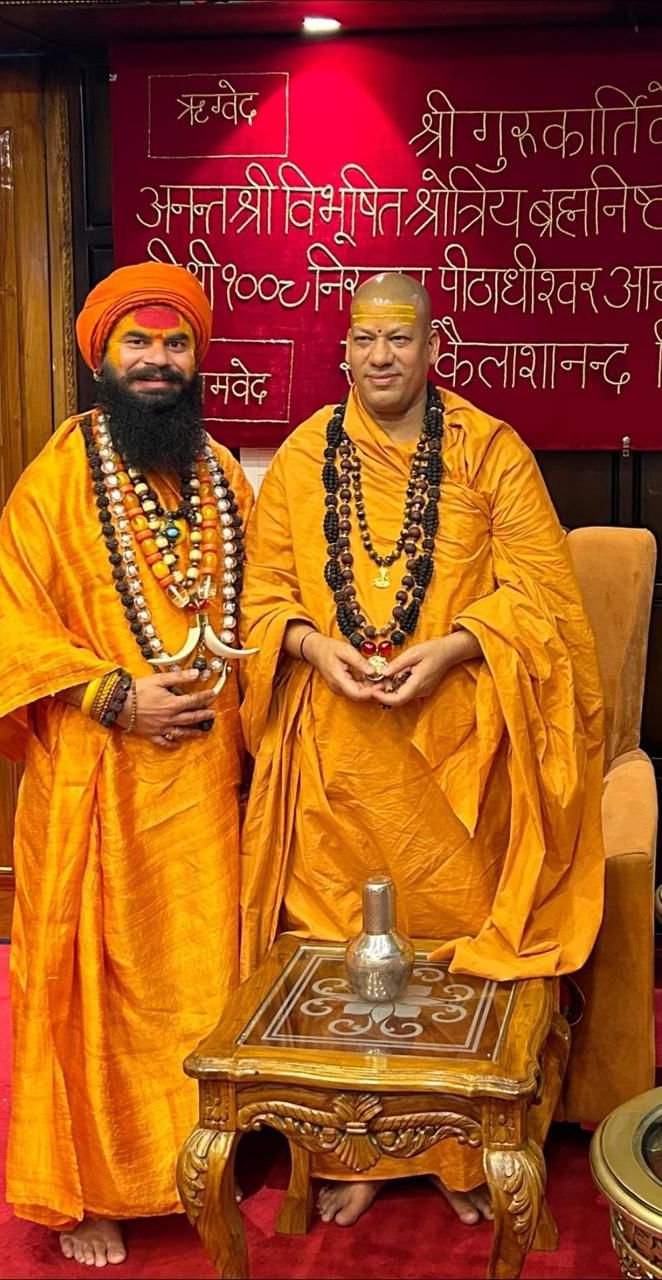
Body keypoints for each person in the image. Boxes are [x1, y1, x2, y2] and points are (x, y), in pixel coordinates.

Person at [238, 272, 605, 1229]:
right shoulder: (306, 457)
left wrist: (454, 646)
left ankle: (459, 1150)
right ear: (344, 353)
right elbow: (263, 599)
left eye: (400, 338)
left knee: (453, 956)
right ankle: (354, 1152)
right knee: (338, 955)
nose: (382, 356)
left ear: (434, 349)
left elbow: (545, 598)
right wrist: (313, 647)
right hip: (335, 754)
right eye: (366, 339)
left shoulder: (489, 450)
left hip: (461, 759)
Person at [0, 263, 253, 1267]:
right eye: (139, 342)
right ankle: (85, 1188)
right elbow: (10, 631)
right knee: (85, 985)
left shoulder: (222, 477)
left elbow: (257, 608)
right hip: (97, 773)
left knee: (203, 974)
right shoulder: (57, 478)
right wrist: (114, 695)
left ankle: (195, 1157)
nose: (157, 361)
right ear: (102, 356)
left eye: (175, 344)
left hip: (204, 784)